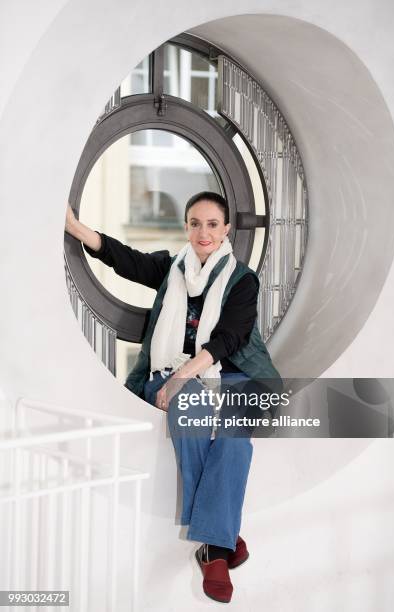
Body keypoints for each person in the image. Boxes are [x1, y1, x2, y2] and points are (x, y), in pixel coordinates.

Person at [65, 192, 282, 603]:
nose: (204, 232)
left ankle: (214, 544)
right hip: (166, 373)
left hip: (229, 374)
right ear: (186, 227)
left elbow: (229, 338)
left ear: (226, 229)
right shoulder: (172, 269)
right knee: (191, 406)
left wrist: (184, 375)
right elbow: (125, 259)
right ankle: (220, 544)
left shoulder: (241, 281)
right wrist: (76, 229)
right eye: (196, 223)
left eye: (212, 224)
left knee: (237, 431)